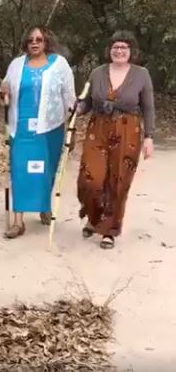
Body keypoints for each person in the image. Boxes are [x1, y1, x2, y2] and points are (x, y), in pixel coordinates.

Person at [75, 30, 155, 249]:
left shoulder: (141, 74)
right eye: (115, 47)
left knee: (118, 182)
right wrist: (77, 107)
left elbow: (148, 107)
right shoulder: (97, 73)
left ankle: (109, 229)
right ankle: (93, 216)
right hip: (98, 127)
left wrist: (149, 136)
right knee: (91, 179)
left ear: (131, 51)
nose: (119, 51)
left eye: (124, 47)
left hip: (128, 130)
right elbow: (87, 103)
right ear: (109, 50)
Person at [0, 25, 76, 238]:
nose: (34, 43)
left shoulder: (59, 64)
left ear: (46, 42)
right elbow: (5, 91)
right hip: (21, 127)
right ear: (26, 43)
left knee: (45, 170)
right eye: (31, 40)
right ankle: (18, 221)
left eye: (39, 39)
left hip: (50, 127)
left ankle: (44, 206)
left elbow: (70, 96)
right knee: (20, 171)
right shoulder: (16, 65)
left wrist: (73, 122)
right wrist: (3, 92)